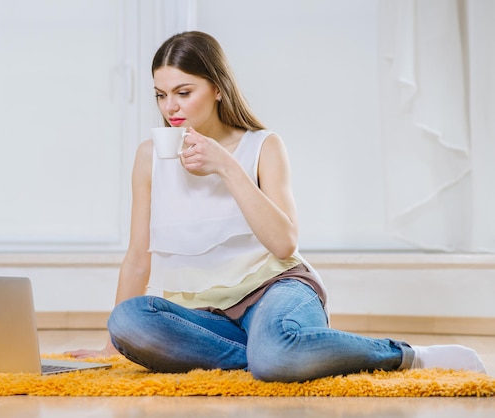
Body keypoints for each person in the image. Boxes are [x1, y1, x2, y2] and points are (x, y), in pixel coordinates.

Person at [67, 31, 487, 382]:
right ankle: (279, 356)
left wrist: (226, 167)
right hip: (208, 318)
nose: (170, 108)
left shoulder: (262, 146)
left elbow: (284, 243)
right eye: (161, 95)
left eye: (183, 92)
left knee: (275, 352)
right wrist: (113, 345)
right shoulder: (149, 157)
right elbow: (138, 259)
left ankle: (403, 355)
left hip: (276, 292)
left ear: (216, 88)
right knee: (127, 321)